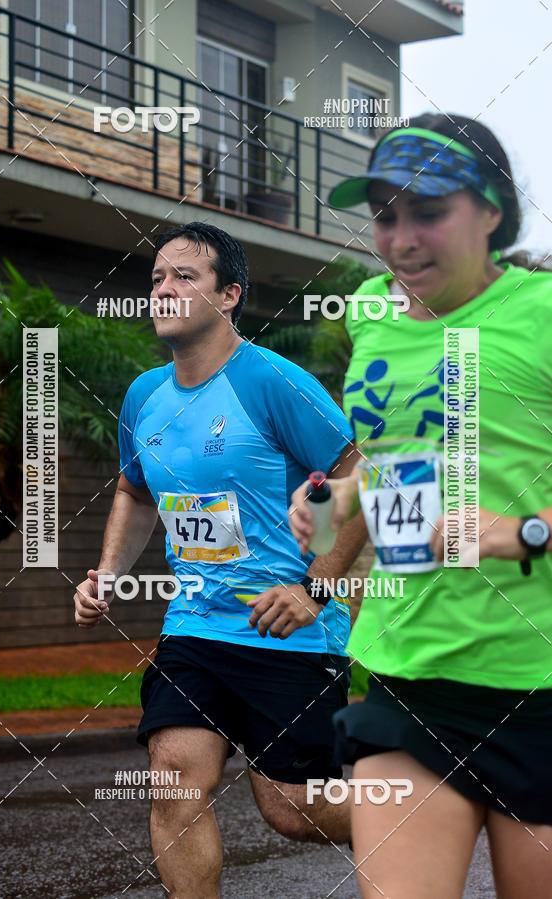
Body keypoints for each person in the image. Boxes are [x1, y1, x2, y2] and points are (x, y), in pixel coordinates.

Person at [290, 115, 552, 898]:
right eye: (384, 215)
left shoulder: (541, 312)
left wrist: (526, 531)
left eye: (428, 211)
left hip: (537, 679)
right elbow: (385, 458)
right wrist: (334, 506)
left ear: (493, 211)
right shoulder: (372, 312)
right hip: (411, 672)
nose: (401, 239)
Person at [73, 222, 367, 897]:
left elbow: (360, 474)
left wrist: (315, 589)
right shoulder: (145, 396)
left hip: (288, 626)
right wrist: (108, 575)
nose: (164, 289)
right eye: (155, 279)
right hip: (195, 626)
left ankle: (419, 810)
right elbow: (133, 488)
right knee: (173, 774)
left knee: (294, 808)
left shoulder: (270, 380)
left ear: (229, 293)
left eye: (185, 276)